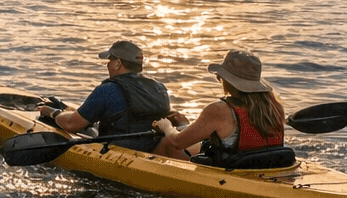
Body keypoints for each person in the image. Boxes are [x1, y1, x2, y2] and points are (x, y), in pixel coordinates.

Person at [39, 40, 185, 145]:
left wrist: (54, 113)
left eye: (110, 60)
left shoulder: (107, 90)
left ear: (118, 63)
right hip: (151, 147)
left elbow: (71, 125)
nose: (108, 64)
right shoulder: (159, 87)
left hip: (118, 149)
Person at [153, 49, 286, 161]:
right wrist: (184, 126)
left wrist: (166, 127)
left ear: (226, 80)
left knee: (166, 143)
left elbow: (178, 142)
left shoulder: (218, 110)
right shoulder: (274, 105)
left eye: (220, 77)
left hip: (233, 169)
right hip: (269, 164)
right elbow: (234, 133)